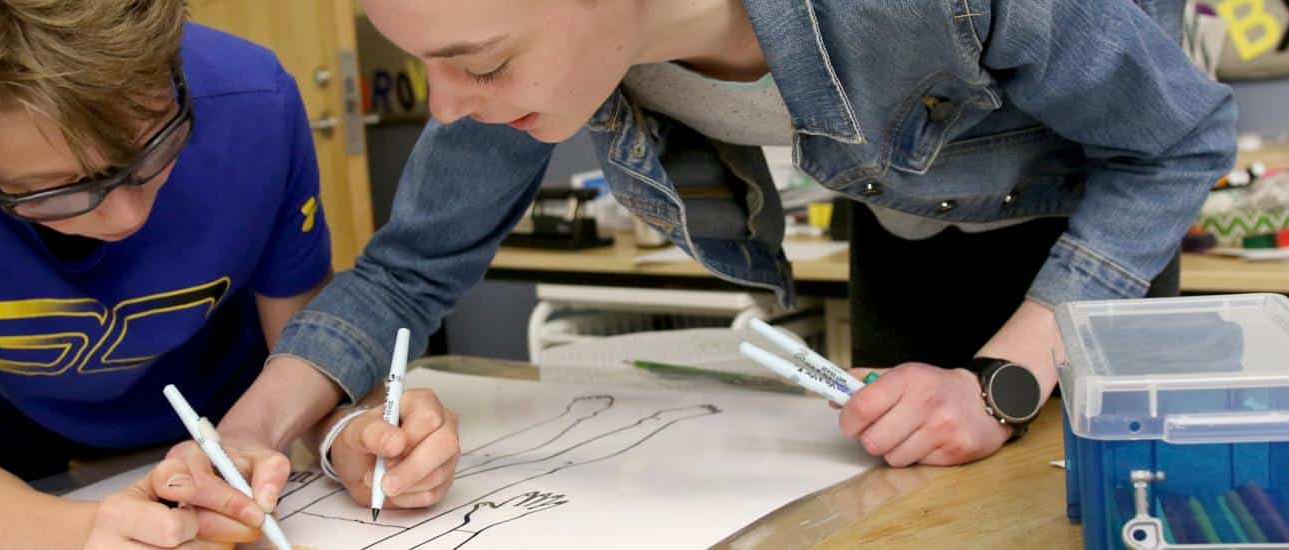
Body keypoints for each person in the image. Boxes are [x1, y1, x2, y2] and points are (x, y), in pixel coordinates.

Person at [266, 0, 1235, 470]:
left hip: (1095, 252)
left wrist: (1000, 382)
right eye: (426, 63)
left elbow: (1176, 143)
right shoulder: (513, 35)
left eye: (480, 64)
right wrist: (241, 444)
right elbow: (403, 273)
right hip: (905, 234)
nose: (446, 105)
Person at [0, 1, 460, 547]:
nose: (127, 214)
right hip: (19, 483)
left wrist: (350, 430)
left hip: (234, 450)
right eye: (56, 189)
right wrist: (85, 535)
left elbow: (309, 365)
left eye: (155, 145)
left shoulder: (252, 100)